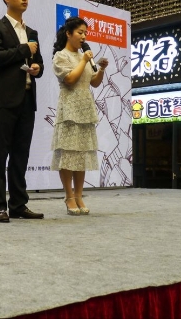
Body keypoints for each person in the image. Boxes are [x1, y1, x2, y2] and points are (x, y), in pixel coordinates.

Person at [0, 0, 45, 223]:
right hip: (5, 101)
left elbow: (38, 64)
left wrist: (37, 68)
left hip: (27, 100)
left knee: (21, 155)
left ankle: (19, 204)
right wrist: (24, 49)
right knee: (0, 155)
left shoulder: (32, 33)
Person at [51, 17, 109, 215]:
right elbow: (69, 79)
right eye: (80, 32)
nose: (84, 37)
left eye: (85, 33)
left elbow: (94, 82)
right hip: (69, 109)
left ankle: (79, 196)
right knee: (68, 154)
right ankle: (69, 197)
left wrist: (101, 69)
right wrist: (84, 60)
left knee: (81, 154)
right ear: (69, 34)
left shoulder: (84, 57)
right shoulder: (61, 56)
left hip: (85, 108)